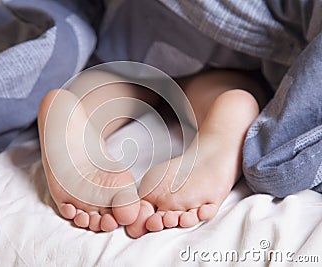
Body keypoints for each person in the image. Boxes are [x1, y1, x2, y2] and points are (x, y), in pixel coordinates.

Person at [37, 68, 267, 238]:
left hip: (133, 48)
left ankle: (74, 111)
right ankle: (230, 112)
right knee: (224, 88)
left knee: (99, 91)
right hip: (216, 59)